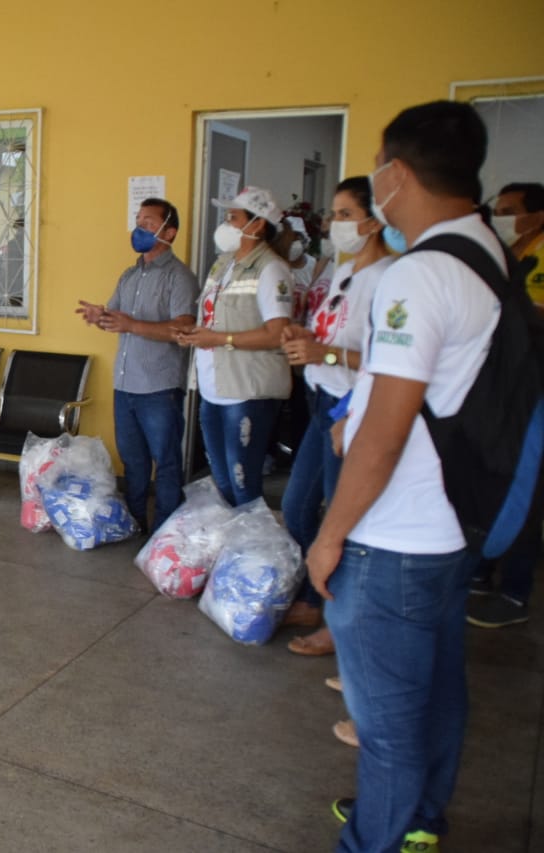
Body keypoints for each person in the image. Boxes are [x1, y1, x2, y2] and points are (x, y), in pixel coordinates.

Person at [308, 100, 503, 853]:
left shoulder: (417, 276)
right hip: (454, 523)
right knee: (440, 688)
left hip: (394, 534)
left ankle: (375, 840)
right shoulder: (487, 253)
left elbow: (384, 430)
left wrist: (330, 536)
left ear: (393, 173)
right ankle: (421, 817)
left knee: (385, 721)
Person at [278, 177, 394, 657]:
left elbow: (387, 364)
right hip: (322, 403)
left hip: (354, 410)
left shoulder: (390, 278)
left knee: (341, 520)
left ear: (374, 220)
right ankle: (313, 595)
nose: (333, 224)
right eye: (334, 214)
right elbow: (329, 340)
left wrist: (322, 354)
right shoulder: (345, 273)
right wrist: (301, 336)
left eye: (345, 215)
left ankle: (338, 619)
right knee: (296, 505)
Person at [77, 198, 197, 531]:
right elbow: (117, 318)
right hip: (125, 384)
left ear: (168, 232)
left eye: (147, 223)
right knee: (133, 462)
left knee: (167, 461)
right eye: (138, 221)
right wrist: (99, 317)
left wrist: (133, 325)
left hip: (159, 387)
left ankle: (164, 530)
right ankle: (134, 523)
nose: (138, 228)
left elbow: (183, 329)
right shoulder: (130, 275)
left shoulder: (180, 277)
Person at [176, 187, 292, 506]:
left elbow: (277, 333)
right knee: (222, 480)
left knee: (243, 482)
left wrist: (219, 339)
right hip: (213, 387)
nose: (226, 224)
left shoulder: (272, 270)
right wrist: (194, 333)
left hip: (246, 391)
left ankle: (253, 549)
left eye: (233, 218)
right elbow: (214, 317)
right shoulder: (222, 264)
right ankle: (233, 544)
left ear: (256, 225)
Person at [466, 180, 544, 627]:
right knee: (488, 481)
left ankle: (514, 592)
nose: (503, 217)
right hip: (497, 390)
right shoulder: (506, 252)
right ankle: (479, 570)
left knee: (523, 486)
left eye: (511, 209)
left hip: (529, 390)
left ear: (536, 213)